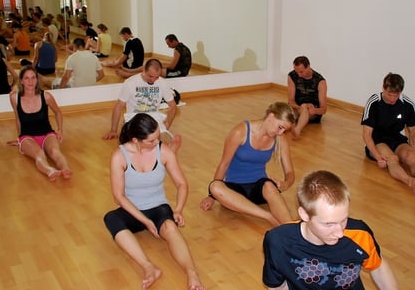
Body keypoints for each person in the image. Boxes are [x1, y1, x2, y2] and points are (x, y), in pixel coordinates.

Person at [103, 113, 205, 290]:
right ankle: (149, 268)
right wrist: (146, 221)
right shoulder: (119, 156)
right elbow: (119, 197)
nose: (157, 142)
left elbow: (182, 184)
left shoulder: (163, 151)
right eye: (151, 140)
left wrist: (178, 210)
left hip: (158, 207)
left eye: (158, 137)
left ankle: (192, 273)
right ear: (136, 140)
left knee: (170, 227)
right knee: (111, 218)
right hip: (132, 209)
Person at [262, 170, 399, 290]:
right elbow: (277, 286)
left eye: (343, 220)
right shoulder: (279, 241)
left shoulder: (360, 234)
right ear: (304, 215)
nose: (340, 233)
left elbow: (378, 267)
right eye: (329, 224)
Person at [199, 102, 297, 227]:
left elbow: (290, 172)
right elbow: (224, 164)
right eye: (280, 127)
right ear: (271, 116)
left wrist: (286, 184)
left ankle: (290, 227)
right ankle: (268, 217)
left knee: (269, 186)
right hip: (235, 190)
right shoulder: (240, 132)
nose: (280, 133)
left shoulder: (280, 139)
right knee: (215, 187)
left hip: (259, 188)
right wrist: (212, 197)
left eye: (284, 130)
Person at [361, 73, 415, 195]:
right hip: (377, 140)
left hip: (397, 139)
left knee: (411, 157)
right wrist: (377, 157)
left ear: (401, 92)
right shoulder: (374, 102)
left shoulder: (407, 104)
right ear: (383, 87)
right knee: (393, 158)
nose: (392, 99)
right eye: (389, 94)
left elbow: (413, 133)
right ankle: (410, 181)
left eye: (396, 95)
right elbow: (366, 134)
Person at [9, 65, 72, 181]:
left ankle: (65, 169)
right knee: (39, 154)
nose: (30, 81)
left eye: (33, 77)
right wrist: (19, 138)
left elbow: (58, 112)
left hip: (47, 133)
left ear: (37, 80)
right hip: (27, 136)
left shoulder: (46, 96)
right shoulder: (14, 97)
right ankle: (50, 171)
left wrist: (60, 130)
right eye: (27, 78)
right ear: (21, 81)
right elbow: (17, 118)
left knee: (55, 152)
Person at [103, 59, 179, 150]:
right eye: (150, 76)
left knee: (164, 140)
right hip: (134, 117)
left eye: (157, 77)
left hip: (154, 117)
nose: (153, 80)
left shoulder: (163, 83)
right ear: (143, 70)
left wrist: (167, 124)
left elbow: (173, 106)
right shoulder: (130, 83)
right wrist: (113, 130)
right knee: (139, 142)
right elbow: (119, 106)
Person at [287, 56, 327, 140]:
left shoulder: (320, 81)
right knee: (279, 109)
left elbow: (324, 109)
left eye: (301, 72)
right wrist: (298, 107)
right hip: (297, 108)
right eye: (296, 71)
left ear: (308, 67)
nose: (299, 75)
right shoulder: (292, 76)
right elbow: (290, 100)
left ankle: (297, 130)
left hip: (312, 111)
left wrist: (315, 110)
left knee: (305, 107)